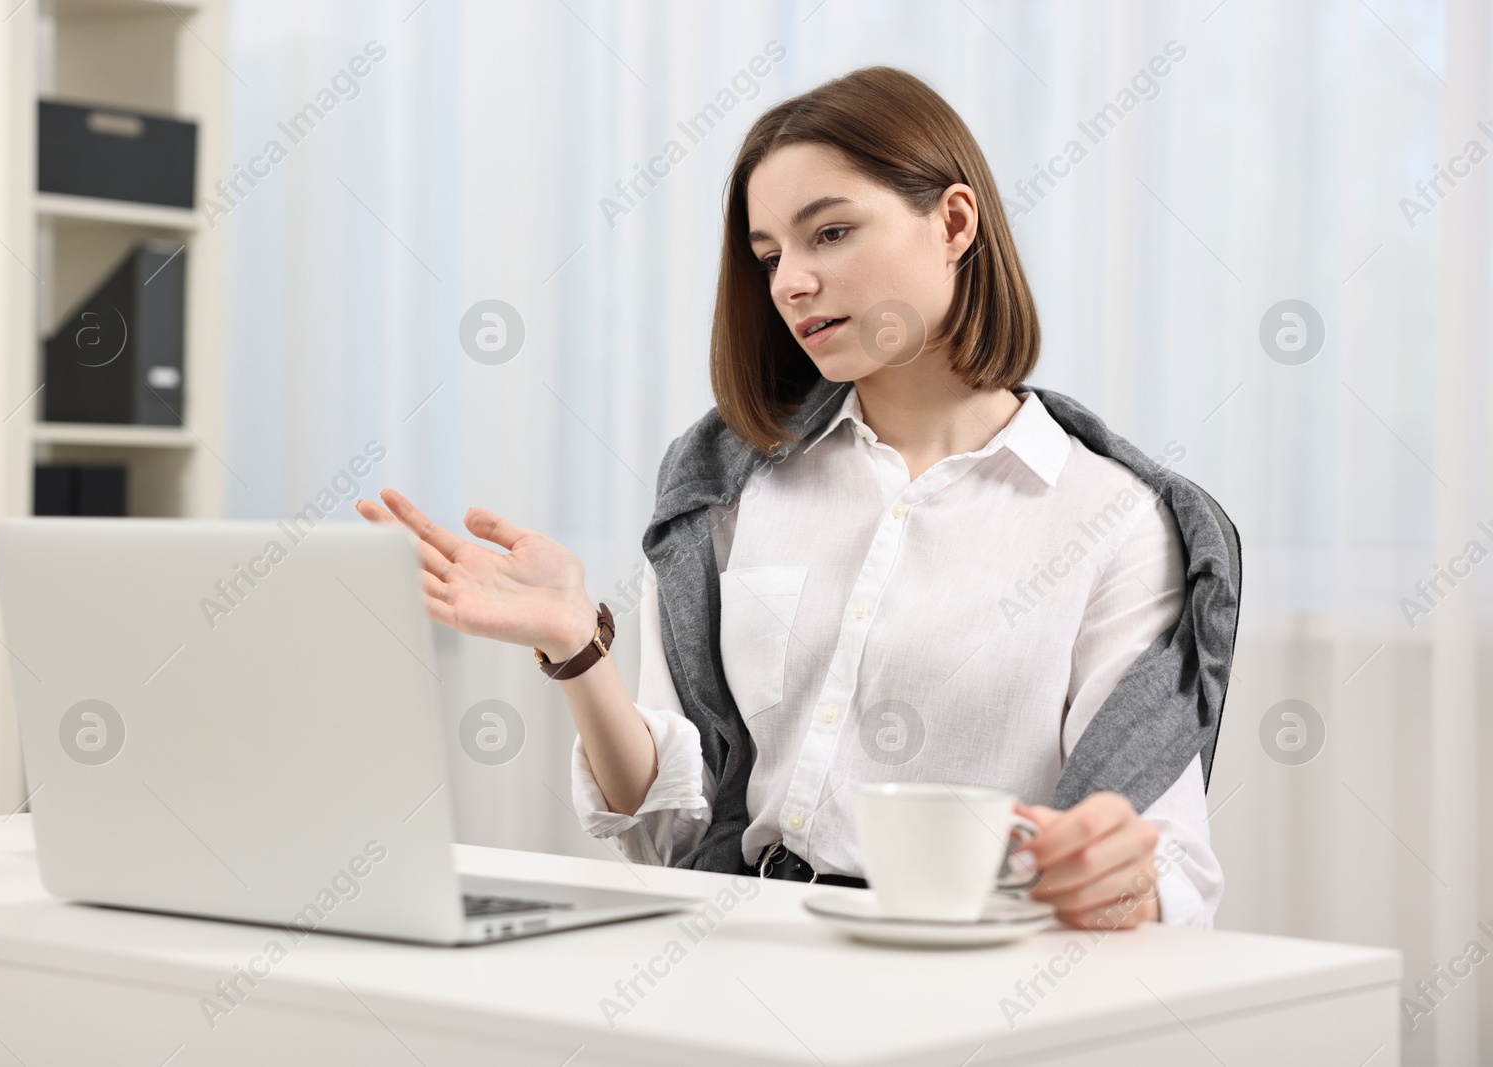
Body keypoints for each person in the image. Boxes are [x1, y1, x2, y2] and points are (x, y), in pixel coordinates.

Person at [357, 66, 1240, 930]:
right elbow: (676, 825)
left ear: (954, 222)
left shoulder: (1119, 520)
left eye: (830, 234)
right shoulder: (728, 490)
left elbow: (1170, 861)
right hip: (754, 943)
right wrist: (574, 647)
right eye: (769, 254)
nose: (788, 283)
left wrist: (1120, 876)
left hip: (976, 970)